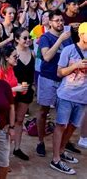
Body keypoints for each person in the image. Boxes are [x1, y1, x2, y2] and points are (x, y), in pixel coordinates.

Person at [50, 22, 87, 175]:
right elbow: (59, 73)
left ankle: (62, 150)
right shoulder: (69, 50)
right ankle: (56, 159)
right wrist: (76, 65)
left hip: (83, 97)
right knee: (61, 126)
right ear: (81, 34)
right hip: (66, 94)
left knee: (72, 127)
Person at [36, 10, 73, 157]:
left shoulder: (68, 38)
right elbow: (46, 57)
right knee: (44, 111)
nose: (60, 23)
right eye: (57, 20)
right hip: (48, 78)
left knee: (64, 113)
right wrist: (59, 40)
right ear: (50, 22)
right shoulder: (45, 37)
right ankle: (40, 141)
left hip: (64, 80)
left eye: (61, 20)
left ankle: (61, 144)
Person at [12, 27, 35, 161]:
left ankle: (17, 148)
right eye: (24, 38)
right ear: (16, 39)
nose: (28, 40)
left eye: (29, 38)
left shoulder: (32, 53)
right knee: (9, 121)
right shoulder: (13, 54)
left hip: (26, 91)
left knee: (20, 120)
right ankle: (4, 152)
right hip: (14, 91)